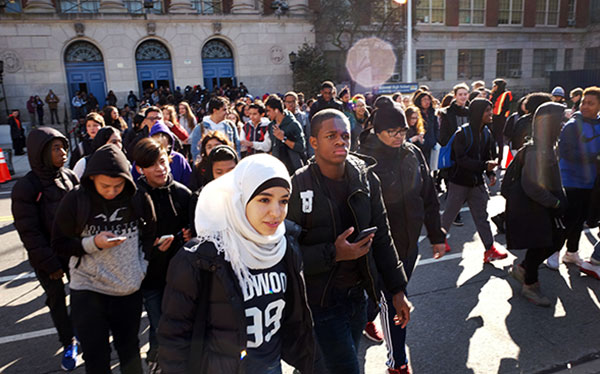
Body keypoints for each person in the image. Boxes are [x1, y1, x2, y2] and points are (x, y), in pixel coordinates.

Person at [158, 154, 315, 374]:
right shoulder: (202, 257)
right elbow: (174, 334)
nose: (276, 212)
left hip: (271, 367)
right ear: (240, 199)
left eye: (284, 200)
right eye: (264, 199)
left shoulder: (284, 247)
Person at [287, 109, 411, 374]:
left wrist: (397, 290)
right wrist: (334, 253)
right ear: (313, 142)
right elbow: (285, 253)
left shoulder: (366, 179)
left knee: (329, 364)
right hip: (319, 302)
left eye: (345, 135)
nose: (341, 141)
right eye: (331, 135)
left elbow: (383, 238)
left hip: (357, 298)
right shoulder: (297, 186)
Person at [52, 144, 157, 374]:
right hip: (88, 289)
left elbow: (149, 235)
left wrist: (142, 266)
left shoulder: (138, 197)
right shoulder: (76, 200)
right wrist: (92, 243)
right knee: (96, 357)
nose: (111, 192)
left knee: (129, 352)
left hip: (127, 289)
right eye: (105, 186)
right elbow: (59, 243)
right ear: (91, 180)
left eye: (118, 186)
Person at [359, 102, 446, 373]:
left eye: (403, 131)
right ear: (377, 130)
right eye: (392, 132)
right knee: (396, 299)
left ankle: (362, 320)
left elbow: (428, 196)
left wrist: (436, 234)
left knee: (383, 298)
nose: (399, 137)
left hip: (410, 244)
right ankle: (398, 363)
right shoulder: (363, 160)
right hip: (381, 247)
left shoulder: (412, 153)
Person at [11, 127, 80, 371]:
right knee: (57, 299)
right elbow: (29, 232)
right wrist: (49, 263)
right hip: (48, 258)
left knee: (82, 295)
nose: (62, 152)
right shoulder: (26, 187)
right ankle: (68, 341)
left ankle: (78, 330)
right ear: (40, 152)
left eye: (63, 146)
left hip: (74, 251)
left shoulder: (70, 176)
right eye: (55, 148)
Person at [132, 138, 192, 373]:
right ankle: (159, 361)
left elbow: (195, 231)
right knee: (160, 326)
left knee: (179, 327)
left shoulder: (183, 194)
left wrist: (188, 236)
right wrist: (152, 248)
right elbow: (129, 242)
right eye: (151, 165)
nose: (159, 168)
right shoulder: (134, 197)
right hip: (151, 278)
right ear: (140, 169)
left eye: (162, 161)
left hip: (181, 276)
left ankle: (160, 357)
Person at [506, 102, 567, 307]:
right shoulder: (537, 150)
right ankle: (529, 284)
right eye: (560, 121)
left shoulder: (548, 145)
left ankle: (523, 269)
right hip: (535, 205)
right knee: (545, 242)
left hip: (542, 204)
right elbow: (531, 185)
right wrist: (556, 202)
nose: (562, 124)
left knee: (552, 240)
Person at [440, 98, 507, 263]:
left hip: (476, 182)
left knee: (481, 216)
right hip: (459, 182)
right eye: (487, 111)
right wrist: (485, 166)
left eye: (490, 110)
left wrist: (490, 174)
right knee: (449, 213)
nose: (491, 113)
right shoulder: (462, 133)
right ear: (478, 113)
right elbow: (461, 159)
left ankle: (489, 249)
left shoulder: (486, 133)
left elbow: (487, 156)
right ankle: (439, 240)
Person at [547, 87, 600, 268]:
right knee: (568, 219)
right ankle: (554, 252)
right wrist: (594, 157)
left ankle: (572, 253)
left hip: (590, 183)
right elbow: (566, 152)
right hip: (570, 181)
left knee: (580, 220)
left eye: (591, 103)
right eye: (584, 102)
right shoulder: (572, 125)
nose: (585, 106)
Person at [265, 94, 306, 174]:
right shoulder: (271, 126)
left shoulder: (293, 124)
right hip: (277, 169)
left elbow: (301, 147)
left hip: (293, 169)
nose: (267, 114)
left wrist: (284, 139)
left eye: (269, 110)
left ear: (276, 110)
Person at [490, 79, 513, 167]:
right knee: (491, 138)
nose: (493, 87)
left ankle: (500, 160)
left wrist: (501, 117)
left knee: (500, 139)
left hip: (500, 119)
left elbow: (506, 108)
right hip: (492, 118)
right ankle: (492, 157)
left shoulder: (505, 95)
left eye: (495, 85)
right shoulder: (493, 94)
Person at [413, 91, 439, 165]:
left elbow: (436, 128)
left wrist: (435, 140)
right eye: (424, 100)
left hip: (431, 143)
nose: (427, 102)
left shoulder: (432, 113)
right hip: (420, 143)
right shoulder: (416, 112)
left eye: (428, 99)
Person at [284, 91, 311, 156]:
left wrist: (310, 154)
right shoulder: (282, 117)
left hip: (301, 152)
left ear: (297, 102)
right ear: (284, 103)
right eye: (288, 102)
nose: (290, 104)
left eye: (293, 101)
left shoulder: (303, 117)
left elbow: (308, 135)